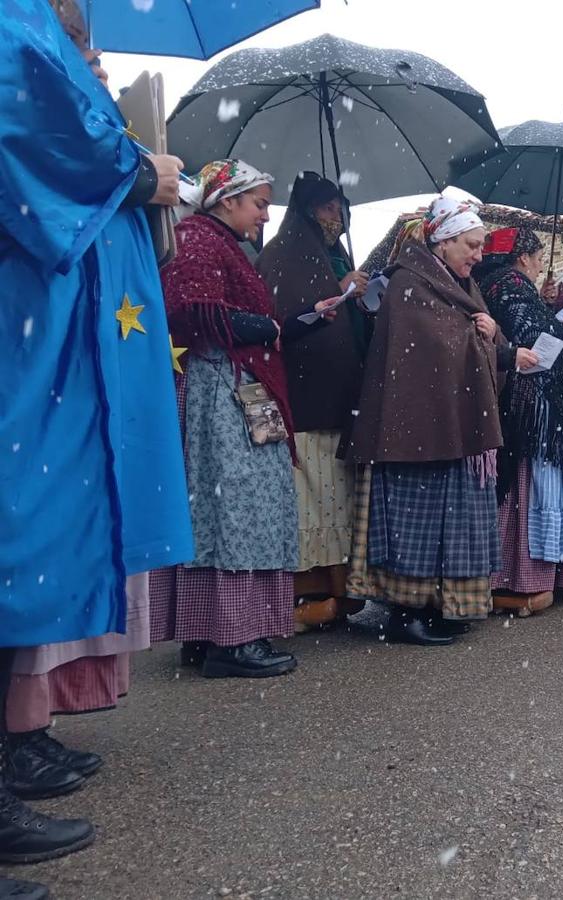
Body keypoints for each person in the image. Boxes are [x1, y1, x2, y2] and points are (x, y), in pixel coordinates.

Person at [0, 0, 193, 893]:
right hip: (27, 345)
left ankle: (15, 751)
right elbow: (38, 126)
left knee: (29, 547)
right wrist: (132, 167)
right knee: (18, 544)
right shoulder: (14, 27)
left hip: (41, 340)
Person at [153, 160, 342, 678]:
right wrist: (260, 323)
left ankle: (209, 633)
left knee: (230, 510)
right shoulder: (198, 238)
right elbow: (192, 310)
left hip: (229, 386)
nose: (264, 214)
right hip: (221, 395)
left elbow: (234, 320)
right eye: (258, 202)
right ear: (226, 200)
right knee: (236, 508)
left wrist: (295, 322)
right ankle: (232, 640)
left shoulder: (215, 242)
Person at [343, 198, 501, 644]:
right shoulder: (410, 282)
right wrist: (479, 335)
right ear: (445, 240)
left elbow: (468, 333)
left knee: (448, 517)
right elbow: (437, 347)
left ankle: (442, 604)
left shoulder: (453, 281)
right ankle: (405, 611)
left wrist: (489, 334)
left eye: (480, 247)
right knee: (418, 515)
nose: (478, 255)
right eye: (472, 245)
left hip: (445, 424)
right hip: (416, 429)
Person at [256, 172, 372, 629]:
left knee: (336, 496)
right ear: (307, 210)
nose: (337, 217)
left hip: (341, 396)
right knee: (312, 497)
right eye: (328, 208)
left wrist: (359, 295)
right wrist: (330, 303)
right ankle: (309, 589)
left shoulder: (335, 255)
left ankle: (341, 587)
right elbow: (286, 319)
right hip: (305, 398)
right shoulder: (285, 255)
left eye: (340, 208)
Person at [477, 227, 563, 615]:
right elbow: (530, 332)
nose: (538, 266)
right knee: (530, 484)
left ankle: (530, 579)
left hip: (530, 400)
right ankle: (523, 578)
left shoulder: (497, 284)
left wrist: (546, 307)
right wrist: (557, 323)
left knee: (525, 486)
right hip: (535, 403)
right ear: (524, 258)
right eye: (536, 259)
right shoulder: (508, 284)